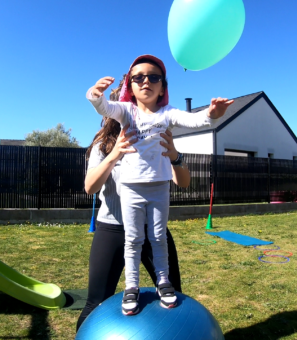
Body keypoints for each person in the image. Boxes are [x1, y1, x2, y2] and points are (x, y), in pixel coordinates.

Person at [86, 55, 233, 315]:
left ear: (163, 87)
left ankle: (163, 283)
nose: (146, 82)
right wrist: (96, 97)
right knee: (130, 244)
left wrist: (212, 115)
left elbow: (195, 120)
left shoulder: (167, 115)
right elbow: (105, 108)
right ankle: (131, 287)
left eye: (154, 77)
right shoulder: (124, 114)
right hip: (115, 219)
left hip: (159, 188)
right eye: (138, 77)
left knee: (158, 237)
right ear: (128, 88)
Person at [76, 79, 190, 330]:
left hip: (153, 231)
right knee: (95, 303)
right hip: (113, 229)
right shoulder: (102, 146)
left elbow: (183, 182)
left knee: (174, 296)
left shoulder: (155, 138)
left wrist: (175, 156)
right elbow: (90, 187)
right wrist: (115, 153)